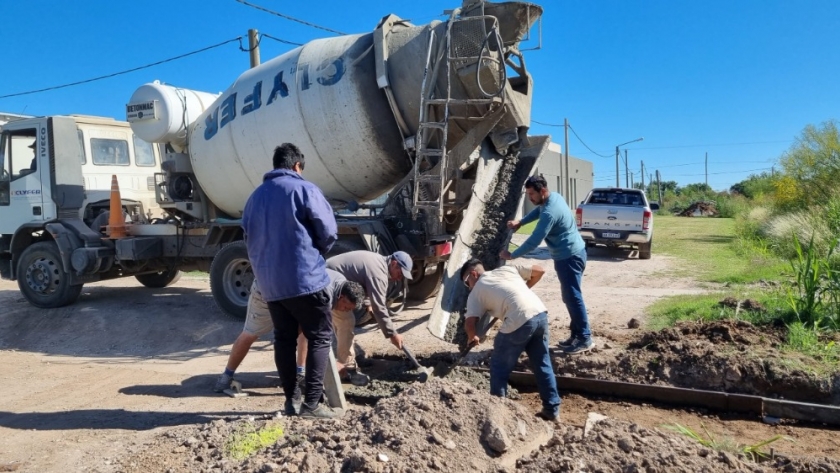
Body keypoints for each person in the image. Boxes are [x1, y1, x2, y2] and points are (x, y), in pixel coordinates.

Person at [242, 143, 338, 419]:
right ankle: (311, 405)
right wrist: (316, 253)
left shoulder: (254, 198)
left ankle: (291, 401)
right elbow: (328, 231)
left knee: (283, 339)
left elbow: (248, 239)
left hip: (271, 286)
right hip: (305, 279)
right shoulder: (305, 189)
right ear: (297, 166)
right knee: (319, 336)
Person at [213, 270, 366, 396]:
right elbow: (320, 339)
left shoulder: (341, 283)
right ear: (341, 297)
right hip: (267, 290)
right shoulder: (325, 294)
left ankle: (300, 373)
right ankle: (225, 378)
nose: (345, 311)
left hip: (291, 291)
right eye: (346, 307)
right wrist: (332, 365)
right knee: (252, 333)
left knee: (302, 331)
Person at [501, 175, 593, 354]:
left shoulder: (550, 212)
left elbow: (535, 240)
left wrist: (512, 255)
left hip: (569, 257)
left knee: (573, 297)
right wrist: (521, 222)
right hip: (572, 253)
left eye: (531, 194)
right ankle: (577, 335)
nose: (530, 198)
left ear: (542, 191)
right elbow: (538, 211)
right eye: (527, 194)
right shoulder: (554, 197)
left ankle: (584, 338)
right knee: (570, 297)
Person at [460, 258, 560, 421]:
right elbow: (539, 271)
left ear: (473, 274)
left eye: (466, 282)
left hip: (518, 319)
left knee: (499, 366)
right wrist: (522, 290)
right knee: (542, 363)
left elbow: (470, 322)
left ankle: (498, 415)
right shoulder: (507, 269)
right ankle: (552, 410)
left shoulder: (476, 291)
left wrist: (472, 337)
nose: (468, 287)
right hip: (539, 313)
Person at [326, 250, 412, 384]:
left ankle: (354, 356)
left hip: (339, 278)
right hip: (331, 280)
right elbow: (379, 308)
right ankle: (347, 368)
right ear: (394, 264)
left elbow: (361, 282)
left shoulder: (380, 263)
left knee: (347, 321)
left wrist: (368, 302)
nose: (400, 278)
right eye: (400, 273)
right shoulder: (379, 274)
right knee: (346, 321)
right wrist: (392, 334)